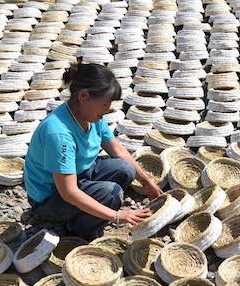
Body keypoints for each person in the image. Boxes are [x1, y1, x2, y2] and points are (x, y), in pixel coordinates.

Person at [24, 61, 163, 240]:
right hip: (50, 198)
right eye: (106, 103)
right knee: (111, 193)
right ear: (84, 96)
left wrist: (147, 182)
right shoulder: (59, 134)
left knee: (125, 169)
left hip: (79, 174)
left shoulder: (92, 116)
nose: (109, 109)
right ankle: (76, 228)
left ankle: (93, 208)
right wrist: (118, 216)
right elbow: (69, 192)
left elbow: (118, 151)